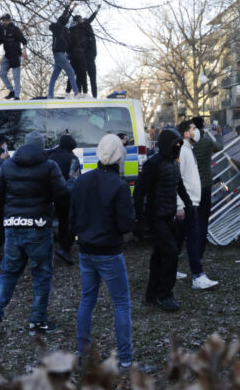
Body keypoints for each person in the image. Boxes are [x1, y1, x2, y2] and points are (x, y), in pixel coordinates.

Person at [0, 131, 65, 335]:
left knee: (8, 273)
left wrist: (7, 214)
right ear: (42, 146)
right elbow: (62, 193)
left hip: (12, 225)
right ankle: (37, 321)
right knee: (41, 275)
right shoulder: (49, 166)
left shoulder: (8, 165)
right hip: (38, 226)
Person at [70, 134, 135, 369]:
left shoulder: (82, 181)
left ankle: (83, 352)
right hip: (109, 251)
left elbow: (72, 216)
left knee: (87, 300)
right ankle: (126, 358)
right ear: (119, 156)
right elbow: (126, 224)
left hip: (86, 249)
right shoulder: (119, 185)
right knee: (121, 303)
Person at [132, 128, 191, 311]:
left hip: (168, 216)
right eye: (176, 144)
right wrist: (140, 221)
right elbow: (139, 193)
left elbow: (178, 186)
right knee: (171, 253)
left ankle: (152, 294)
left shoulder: (172, 164)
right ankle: (164, 294)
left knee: (160, 255)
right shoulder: (153, 164)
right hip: (156, 217)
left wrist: (189, 206)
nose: (178, 148)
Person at [175, 121, 218, 290]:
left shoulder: (187, 149)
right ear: (186, 133)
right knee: (192, 240)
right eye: (193, 129)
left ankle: (173, 270)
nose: (197, 131)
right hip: (188, 203)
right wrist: (180, 204)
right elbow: (178, 180)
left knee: (178, 239)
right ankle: (198, 275)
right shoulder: (183, 151)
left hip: (189, 202)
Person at [189, 116, 222, 258]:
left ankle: (189, 247)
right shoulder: (206, 142)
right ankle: (199, 251)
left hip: (190, 185)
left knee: (191, 219)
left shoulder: (187, 143)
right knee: (203, 219)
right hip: (205, 184)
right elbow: (219, 147)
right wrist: (218, 133)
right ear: (202, 127)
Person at [47, 134, 80, 265]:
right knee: (73, 221)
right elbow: (75, 178)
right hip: (68, 193)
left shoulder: (52, 156)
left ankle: (61, 245)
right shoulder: (73, 158)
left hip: (54, 194)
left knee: (62, 221)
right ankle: (65, 249)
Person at [47, 0, 81, 98]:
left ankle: (50, 95)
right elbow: (64, 16)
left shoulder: (64, 30)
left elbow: (66, 17)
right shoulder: (57, 28)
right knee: (71, 72)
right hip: (60, 55)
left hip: (58, 55)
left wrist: (72, 8)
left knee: (54, 77)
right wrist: (68, 6)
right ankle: (76, 93)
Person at [67, 7, 100, 98]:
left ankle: (77, 94)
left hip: (80, 56)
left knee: (78, 77)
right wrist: (95, 11)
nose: (82, 20)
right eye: (81, 19)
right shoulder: (82, 27)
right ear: (78, 20)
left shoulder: (71, 28)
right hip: (83, 56)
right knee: (85, 78)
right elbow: (90, 19)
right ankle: (91, 96)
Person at [0, 14, 28, 100]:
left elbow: (24, 40)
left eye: (5, 20)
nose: (4, 22)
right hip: (7, 56)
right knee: (1, 74)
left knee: (16, 77)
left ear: (9, 20)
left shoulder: (15, 29)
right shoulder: (2, 30)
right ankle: (11, 91)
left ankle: (17, 95)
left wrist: (24, 51)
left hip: (15, 55)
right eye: (3, 20)